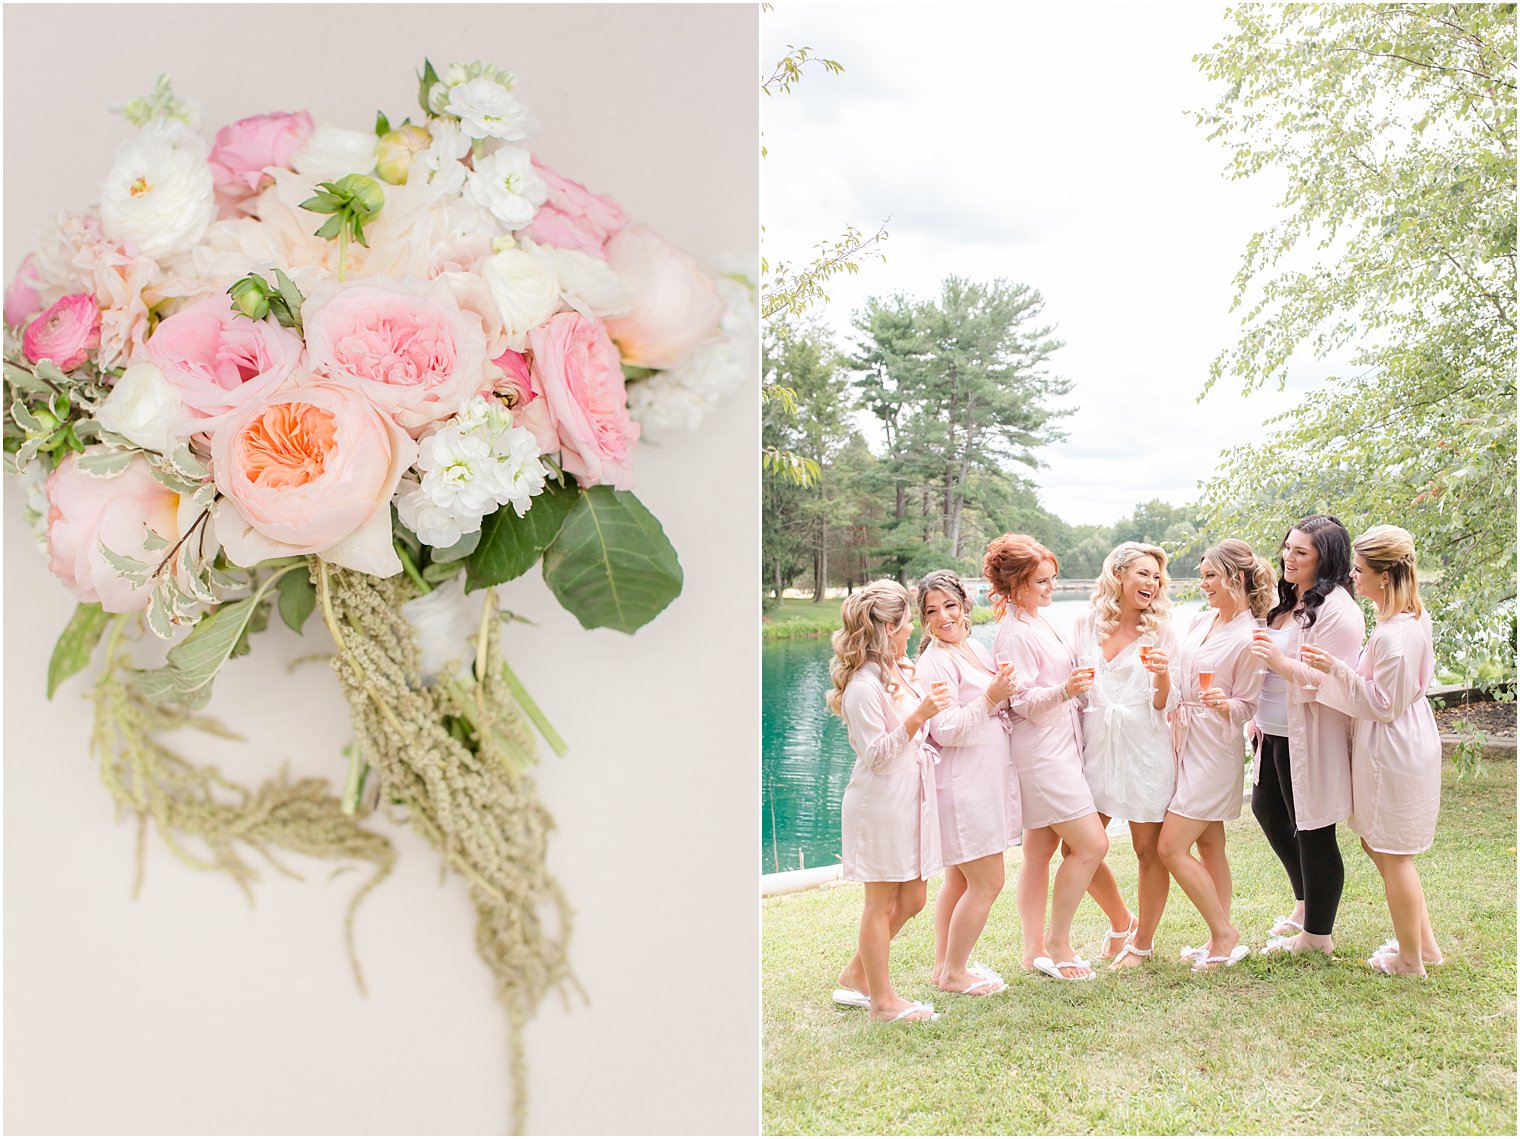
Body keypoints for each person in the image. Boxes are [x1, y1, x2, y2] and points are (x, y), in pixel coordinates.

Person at [1302, 526, 1444, 977]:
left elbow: (1383, 704)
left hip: (1392, 745)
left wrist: (1337, 671)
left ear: (1384, 576)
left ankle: (1410, 960)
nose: (1352, 578)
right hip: (1395, 738)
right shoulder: (1405, 619)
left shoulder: (1395, 636)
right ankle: (1425, 946)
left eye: (1359, 571)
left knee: (1392, 850)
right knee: (1377, 843)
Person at [827, 580, 954, 1022]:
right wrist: (920, 716)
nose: (911, 630)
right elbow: (877, 756)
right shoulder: (863, 686)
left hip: (912, 795)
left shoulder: (900, 670)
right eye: (905, 624)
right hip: (880, 801)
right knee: (879, 904)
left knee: (915, 898)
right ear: (885, 628)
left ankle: (856, 974)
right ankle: (881, 1001)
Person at [985, 533, 1108, 981]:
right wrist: (1066, 690)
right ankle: (1058, 943)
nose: (1050, 588)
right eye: (1041, 581)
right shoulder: (1014, 633)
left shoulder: (1040, 620)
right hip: (1041, 755)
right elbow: (1020, 703)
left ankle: (1033, 948)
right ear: (1016, 584)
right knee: (1093, 844)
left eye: (1052, 580)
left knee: (1040, 849)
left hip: (1061, 744)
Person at [1247, 514, 1362, 956]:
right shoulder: (1286, 601)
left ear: (1324, 559)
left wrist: (1275, 662)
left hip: (1309, 734)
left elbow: (1331, 680)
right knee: (1268, 811)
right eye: (1287, 548)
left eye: (1301, 552)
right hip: (1272, 728)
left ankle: (1317, 936)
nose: (1288, 558)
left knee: (1313, 829)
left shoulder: (1337, 611)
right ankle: (1303, 904)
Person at [1157, 539, 1273, 970]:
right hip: (1183, 739)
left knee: (1171, 847)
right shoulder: (1201, 621)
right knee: (1210, 844)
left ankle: (1225, 935)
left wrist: (1226, 705)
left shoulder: (1250, 637)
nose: (1203, 583)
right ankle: (1217, 940)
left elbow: (1249, 704)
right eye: (1202, 574)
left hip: (1214, 748)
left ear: (1235, 579)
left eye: (1210, 576)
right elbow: (1178, 675)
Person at [1070, 542, 1179, 970]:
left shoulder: (1162, 632)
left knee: (1147, 851)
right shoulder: (1085, 623)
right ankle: (1121, 921)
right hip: (1098, 748)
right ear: (1118, 576)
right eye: (1143, 574)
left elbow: (1164, 705)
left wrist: (1163, 675)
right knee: (1078, 848)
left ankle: (1142, 945)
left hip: (1145, 748)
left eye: (1156, 576)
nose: (1151, 583)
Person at [914, 570, 1019, 996]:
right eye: (931, 611)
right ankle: (956, 973)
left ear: (964, 605)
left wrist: (1004, 693)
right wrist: (991, 698)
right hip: (962, 787)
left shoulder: (974, 647)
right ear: (923, 619)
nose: (943, 617)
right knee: (988, 881)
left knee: (958, 879)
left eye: (949, 606)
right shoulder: (934, 661)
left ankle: (944, 967)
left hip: (983, 780)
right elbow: (947, 729)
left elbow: (994, 699)